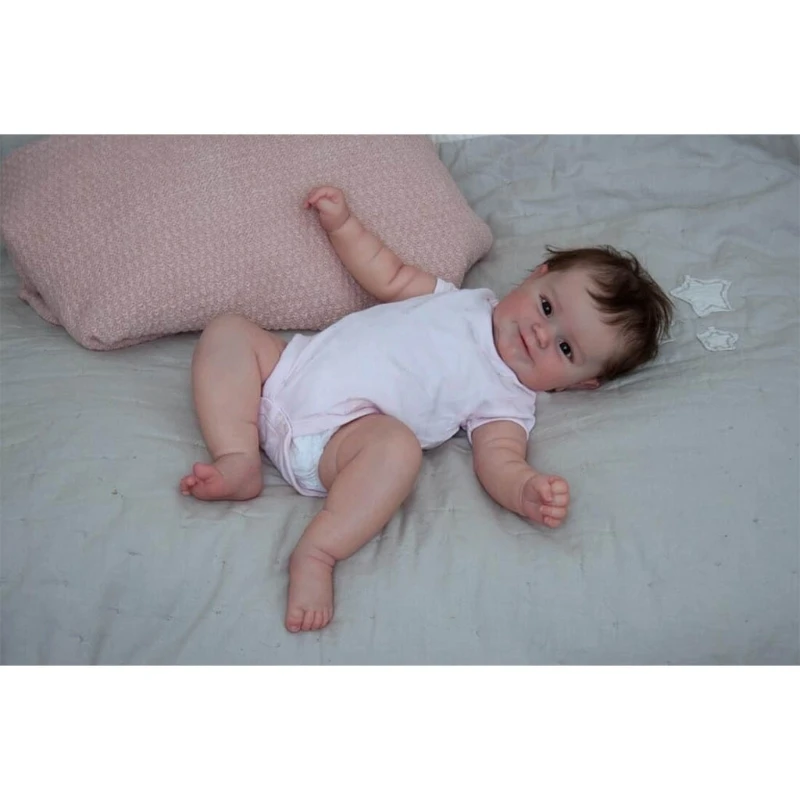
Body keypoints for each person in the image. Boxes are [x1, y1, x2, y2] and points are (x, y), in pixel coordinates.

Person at [179, 186, 674, 633]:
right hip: (286, 371)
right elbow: (387, 272)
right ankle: (237, 457)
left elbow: (500, 460)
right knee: (228, 331)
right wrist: (343, 224)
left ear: (580, 383)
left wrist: (525, 489)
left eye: (565, 349)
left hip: (338, 440)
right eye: (546, 308)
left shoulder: (507, 399)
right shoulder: (457, 301)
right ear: (534, 276)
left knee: (397, 449)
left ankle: (319, 551)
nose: (542, 334)